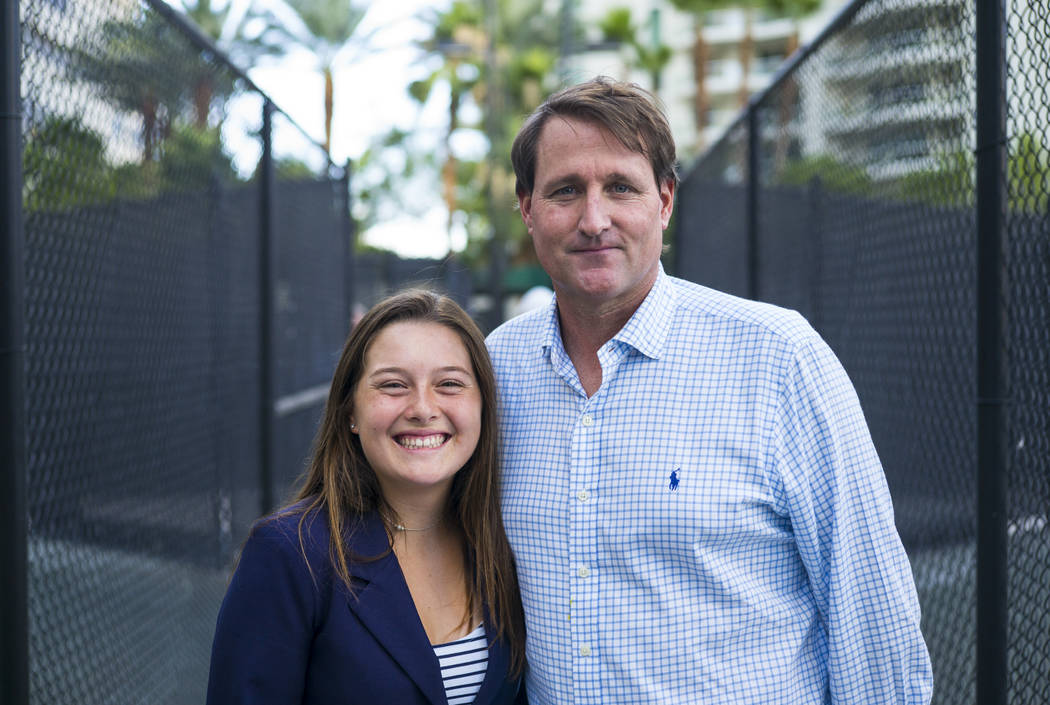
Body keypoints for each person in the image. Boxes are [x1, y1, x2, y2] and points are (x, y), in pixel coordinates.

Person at [486, 77, 933, 704]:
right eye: (565, 191)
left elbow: (868, 607)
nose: (594, 219)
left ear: (665, 202)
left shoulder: (778, 357)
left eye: (621, 186)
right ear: (528, 208)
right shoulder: (493, 370)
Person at [207, 290, 526, 705]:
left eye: (449, 384)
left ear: (482, 405)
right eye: (393, 385)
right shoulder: (290, 553)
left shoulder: (502, 542)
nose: (423, 408)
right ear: (350, 411)